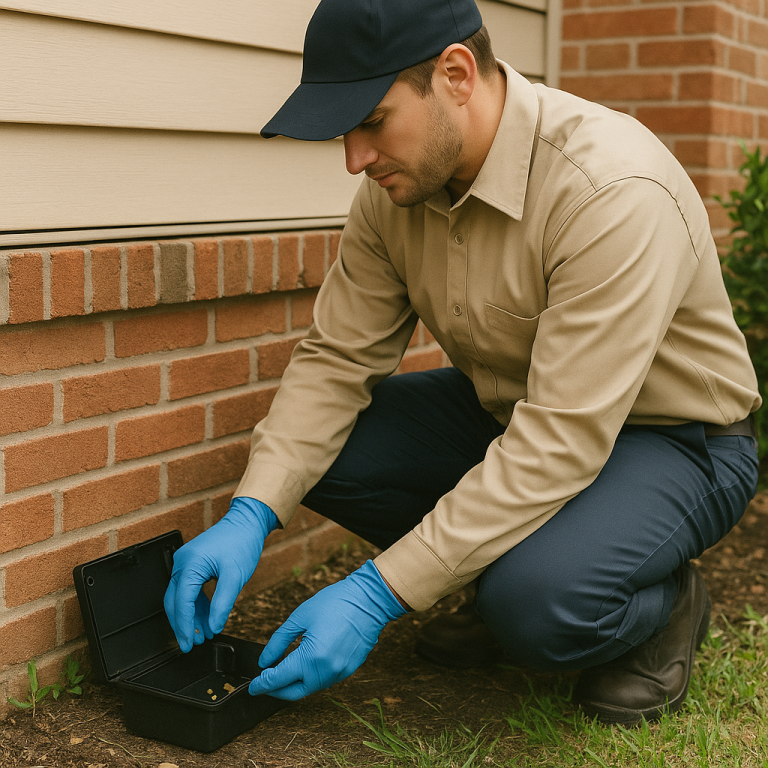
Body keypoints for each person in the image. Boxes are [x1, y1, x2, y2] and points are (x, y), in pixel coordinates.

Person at [164, 0, 761, 723]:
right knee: (325, 454)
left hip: (675, 439)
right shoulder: (396, 193)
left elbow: (562, 439)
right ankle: (503, 564)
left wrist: (378, 593)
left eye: (373, 121)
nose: (355, 158)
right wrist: (253, 511)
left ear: (454, 74)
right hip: (514, 415)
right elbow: (335, 361)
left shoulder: (609, 190)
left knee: (538, 607)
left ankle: (659, 604)